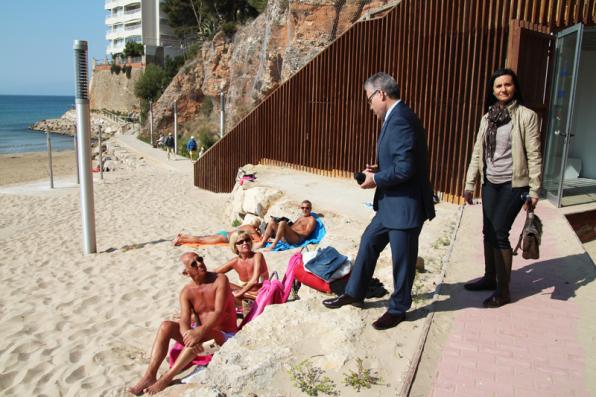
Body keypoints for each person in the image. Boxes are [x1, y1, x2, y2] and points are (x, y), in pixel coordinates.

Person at [322, 72, 435, 330]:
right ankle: (355, 292)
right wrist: (380, 167)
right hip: (390, 204)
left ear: (381, 94)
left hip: (405, 205)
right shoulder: (395, 117)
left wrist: (376, 179)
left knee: (402, 260)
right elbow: (402, 160)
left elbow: (406, 169)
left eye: (369, 98)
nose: (369, 105)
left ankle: (398, 308)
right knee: (369, 242)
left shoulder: (400, 120)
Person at [462, 68, 542, 308]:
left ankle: (503, 290)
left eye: (507, 84)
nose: (503, 89)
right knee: (488, 230)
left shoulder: (526, 116)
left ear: (514, 86)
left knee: (499, 232)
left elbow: (534, 153)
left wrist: (535, 189)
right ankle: (490, 277)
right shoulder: (487, 117)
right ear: (492, 90)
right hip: (490, 183)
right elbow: (478, 151)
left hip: (514, 185)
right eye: (498, 86)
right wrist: (470, 183)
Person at [128, 252, 237, 395]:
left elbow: (219, 312)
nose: (199, 263)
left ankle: (166, 378)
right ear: (186, 272)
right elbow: (184, 321)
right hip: (202, 343)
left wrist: (199, 332)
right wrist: (189, 336)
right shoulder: (186, 292)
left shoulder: (220, 279)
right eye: (193, 264)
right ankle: (149, 375)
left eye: (200, 259)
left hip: (224, 339)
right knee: (165, 326)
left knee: (197, 334)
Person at [215, 231, 270, 302]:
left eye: (247, 240)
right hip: (247, 295)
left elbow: (254, 281)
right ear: (235, 246)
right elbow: (214, 272)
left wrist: (240, 293)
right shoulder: (235, 261)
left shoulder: (257, 256)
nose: (245, 243)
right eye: (240, 242)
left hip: (262, 293)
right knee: (221, 281)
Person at [252, 200, 317, 251]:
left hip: (297, 239)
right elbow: (292, 227)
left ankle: (273, 245)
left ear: (310, 209)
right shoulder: (301, 217)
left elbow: (306, 234)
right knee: (272, 222)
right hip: (288, 237)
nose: (304, 210)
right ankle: (262, 243)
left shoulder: (311, 220)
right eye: (303, 208)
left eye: (307, 208)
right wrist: (284, 231)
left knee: (283, 223)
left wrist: (290, 230)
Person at [173, 220, 262, 246]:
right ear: (256, 227)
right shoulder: (251, 229)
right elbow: (259, 240)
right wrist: (259, 234)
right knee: (201, 241)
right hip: (225, 238)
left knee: (203, 238)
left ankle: (184, 236)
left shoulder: (246, 226)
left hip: (224, 233)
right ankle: (180, 239)